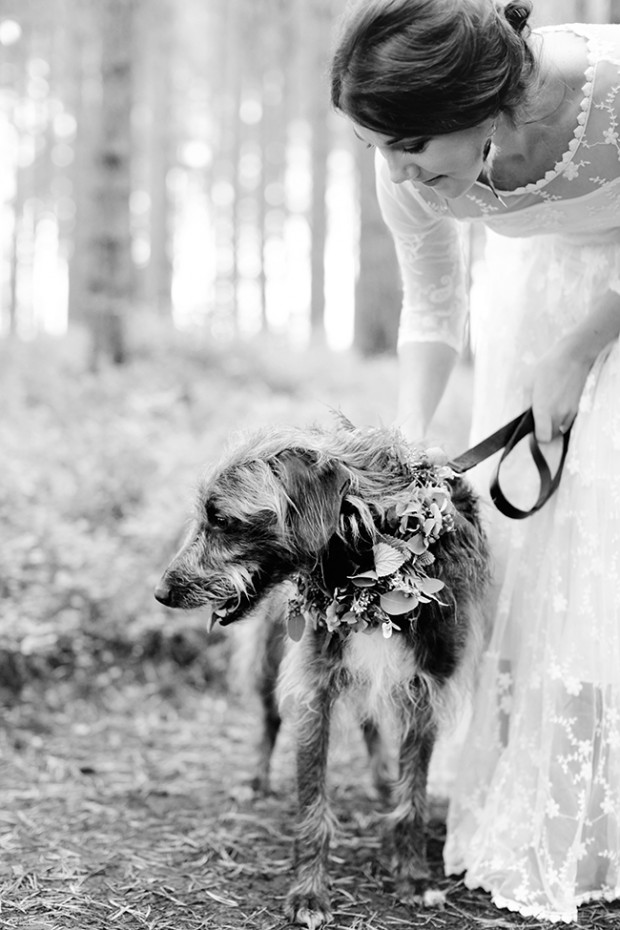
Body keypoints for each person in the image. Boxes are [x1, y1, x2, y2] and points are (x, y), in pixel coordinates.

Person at [330, 0, 620, 923]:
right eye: (379, 146)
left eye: (410, 143)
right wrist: (410, 443)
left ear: (487, 98)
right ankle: (562, 808)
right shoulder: (410, 167)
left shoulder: (608, 83)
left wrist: (580, 348)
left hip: (601, 305)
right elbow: (431, 306)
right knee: (544, 558)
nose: (398, 170)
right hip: (530, 302)